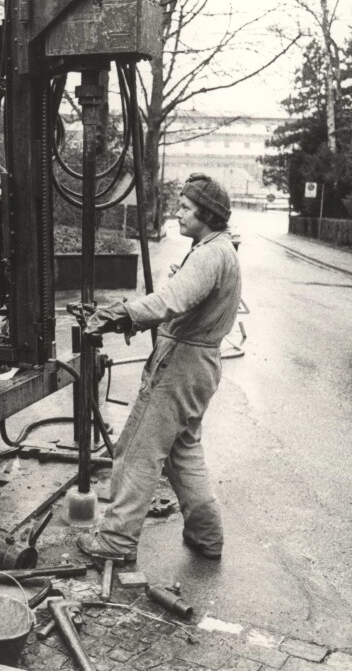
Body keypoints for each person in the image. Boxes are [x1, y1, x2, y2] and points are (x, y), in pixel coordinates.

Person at [77, 173, 242, 563]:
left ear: (207, 214)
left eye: (185, 208)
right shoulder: (221, 250)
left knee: (137, 449)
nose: (178, 213)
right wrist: (134, 317)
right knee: (183, 451)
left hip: (180, 366)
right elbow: (183, 301)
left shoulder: (209, 255)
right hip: (201, 365)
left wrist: (119, 314)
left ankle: (116, 540)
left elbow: (170, 300)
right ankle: (207, 536)